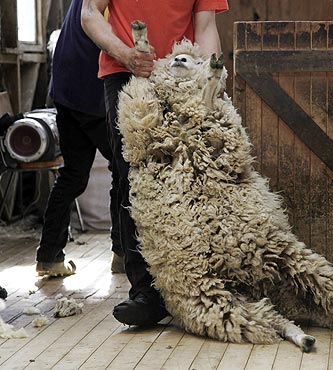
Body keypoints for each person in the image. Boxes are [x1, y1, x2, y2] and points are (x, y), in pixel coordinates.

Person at [81, 0, 229, 326]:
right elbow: (89, 13)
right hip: (125, 69)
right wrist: (124, 53)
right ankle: (146, 292)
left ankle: (190, 280)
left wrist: (207, 78)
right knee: (133, 175)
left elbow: (205, 26)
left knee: (185, 173)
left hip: (179, 70)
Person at [36, 0, 124, 277]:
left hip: (65, 87)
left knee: (73, 175)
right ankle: (122, 253)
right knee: (124, 169)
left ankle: (49, 256)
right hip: (89, 87)